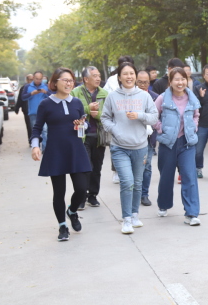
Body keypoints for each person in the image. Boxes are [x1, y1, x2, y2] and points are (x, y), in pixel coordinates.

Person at [30, 67, 92, 242]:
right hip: (56, 151)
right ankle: (62, 226)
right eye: (65, 80)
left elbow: (85, 126)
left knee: (81, 189)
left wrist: (82, 125)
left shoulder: (77, 103)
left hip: (75, 150)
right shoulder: (46, 104)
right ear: (55, 82)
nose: (69, 83)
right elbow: (37, 128)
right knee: (59, 192)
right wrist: (35, 146)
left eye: (71, 80)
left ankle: (71, 211)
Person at [101, 62, 159, 234]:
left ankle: (134, 215)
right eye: (125, 74)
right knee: (127, 182)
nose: (129, 77)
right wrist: (115, 130)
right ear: (119, 77)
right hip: (119, 146)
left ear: (135, 76)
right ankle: (126, 219)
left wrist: (139, 115)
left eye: (131, 73)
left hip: (140, 147)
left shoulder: (144, 96)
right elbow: (105, 118)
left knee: (138, 183)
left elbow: (154, 117)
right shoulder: (112, 97)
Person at [154, 67, 202, 226]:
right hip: (168, 143)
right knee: (166, 177)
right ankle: (163, 204)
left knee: (189, 176)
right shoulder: (162, 98)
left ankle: (191, 213)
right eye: (176, 79)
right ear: (170, 81)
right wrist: (161, 128)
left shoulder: (192, 98)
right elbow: (153, 116)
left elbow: (196, 115)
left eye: (183, 79)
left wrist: (194, 127)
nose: (180, 82)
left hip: (187, 143)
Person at [71, 66, 108, 209]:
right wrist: (88, 109)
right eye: (94, 76)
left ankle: (93, 195)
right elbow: (73, 112)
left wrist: (97, 114)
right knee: (85, 167)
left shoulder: (104, 93)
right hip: (82, 136)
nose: (98, 78)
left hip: (99, 136)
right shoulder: (75, 92)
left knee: (97, 168)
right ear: (86, 79)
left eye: (99, 75)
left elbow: (109, 114)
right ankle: (81, 196)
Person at [104, 55, 135, 184]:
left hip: (133, 118)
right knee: (117, 144)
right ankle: (116, 171)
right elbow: (105, 95)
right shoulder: (112, 80)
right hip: (117, 117)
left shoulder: (134, 77)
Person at [136, 70, 159, 206]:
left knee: (147, 166)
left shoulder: (155, 97)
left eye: (145, 82)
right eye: (140, 82)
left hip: (149, 138)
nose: (142, 85)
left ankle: (144, 194)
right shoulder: (129, 97)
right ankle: (134, 192)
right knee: (134, 167)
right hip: (132, 138)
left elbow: (159, 117)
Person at [22, 71, 50, 151]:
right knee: (35, 131)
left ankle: (45, 149)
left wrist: (46, 92)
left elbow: (52, 96)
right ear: (33, 78)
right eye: (37, 79)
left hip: (44, 113)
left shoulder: (45, 86)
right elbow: (23, 97)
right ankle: (36, 147)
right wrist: (31, 93)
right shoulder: (28, 86)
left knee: (45, 130)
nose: (38, 80)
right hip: (33, 113)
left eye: (40, 79)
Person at [14, 74, 33, 142]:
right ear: (27, 80)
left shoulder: (37, 88)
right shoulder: (24, 88)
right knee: (29, 126)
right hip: (27, 110)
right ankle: (31, 140)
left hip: (36, 110)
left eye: (33, 79)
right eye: (30, 80)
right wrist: (17, 108)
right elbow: (20, 98)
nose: (32, 81)